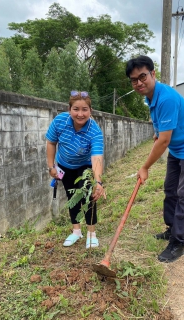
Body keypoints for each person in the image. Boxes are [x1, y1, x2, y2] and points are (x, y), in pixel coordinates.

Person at [125, 56, 184, 263]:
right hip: (177, 147)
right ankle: (172, 228)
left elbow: (163, 142)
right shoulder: (151, 97)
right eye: (134, 80)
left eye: (142, 76)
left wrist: (144, 166)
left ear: (153, 74)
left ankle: (178, 242)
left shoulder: (166, 98)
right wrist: (158, 133)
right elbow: (162, 131)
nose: (139, 83)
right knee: (170, 188)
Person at [45, 91, 106, 249]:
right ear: (69, 109)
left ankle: (91, 234)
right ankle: (76, 231)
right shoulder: (60, 121)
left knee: (88, 196)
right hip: (64, 165)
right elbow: (51, 142)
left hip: (84, 166)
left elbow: (97, 158)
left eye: (85, 109)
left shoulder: (94, 131)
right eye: (76, 109)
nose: (80, 114)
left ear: (90, 111)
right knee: (72, 196)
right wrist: (51, 166)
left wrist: (98, 181)